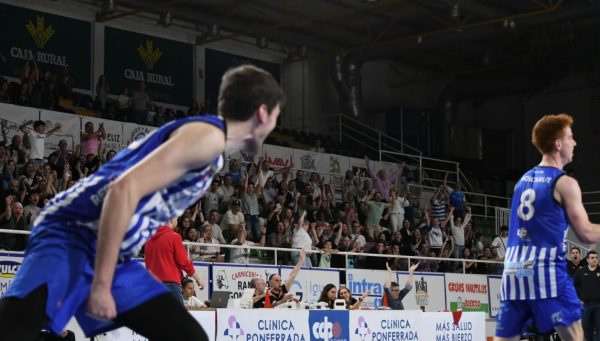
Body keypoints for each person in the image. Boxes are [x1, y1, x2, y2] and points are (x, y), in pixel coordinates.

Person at [0, 64, 284, 341]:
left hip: (106, 252)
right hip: (72, 234)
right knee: (14, 329)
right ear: (262, 112)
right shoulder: (208, 137)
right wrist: (101, 284)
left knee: (188, 335)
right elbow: (122, 189)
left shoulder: (211, 148)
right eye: (275, 117)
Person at [495, 114, 600, 341]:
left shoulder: (522, 181)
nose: (575, 143)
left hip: (513, 270)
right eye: (571, 137)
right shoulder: (564, 182)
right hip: (544, 269)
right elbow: (586, 234)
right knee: (575, 336)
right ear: (558, 144)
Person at [144, 217, 205, 305]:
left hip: (152, 287)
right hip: (169, 285)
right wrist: (198, 279)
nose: (177, 221)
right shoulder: (174, 237)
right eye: (176, 219)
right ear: (172, 220)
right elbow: (184, 262)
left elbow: (148, 265)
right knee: (178, 318)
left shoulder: (149, 241)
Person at [573, 250, 600, 341]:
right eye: (592, 258)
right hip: (585, 305)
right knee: (586, 327)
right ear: (587, 260)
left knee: (599, 327)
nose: (594, 259)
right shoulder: (581, 271)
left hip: (598, 305)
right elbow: (574, 285)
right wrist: (578, 298)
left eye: (596, 257)